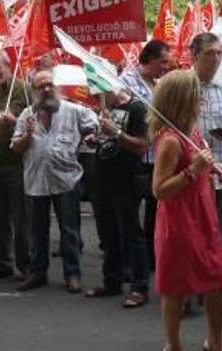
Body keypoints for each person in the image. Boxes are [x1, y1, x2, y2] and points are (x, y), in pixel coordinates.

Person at [151, 69, 222, 351]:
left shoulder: (192, 131)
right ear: (183, 99)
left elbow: (198, 167)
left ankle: (215, 342)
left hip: (202, 216)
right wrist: (194, 170)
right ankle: (172, 345)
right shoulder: (171, 140)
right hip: (179, 222)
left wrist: (213, 169)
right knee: (175, 288)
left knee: (216, 281)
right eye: (197, 95)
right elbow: (159, 189)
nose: (202, 100)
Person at [12, 70, 97, 292]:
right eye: (41, 86)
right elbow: (16, 148)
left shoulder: (73, 110)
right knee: (36, 231)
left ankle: (73, 275)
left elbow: (93, 123)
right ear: (35, 91)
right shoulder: (26, 116)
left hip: (66, 180)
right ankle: (37, 274)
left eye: (49, 84)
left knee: (69, 231)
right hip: (36, 181)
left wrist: (90, 134)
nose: (46, 89)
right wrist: (28, 135)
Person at [85, 86, 150, 307]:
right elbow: (107, 139)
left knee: (132, 233)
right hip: (101, 177)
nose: (98, 100)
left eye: (100, 95)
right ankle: (111, 281)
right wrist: (97, 138)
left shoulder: (137, 108)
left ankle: (140, 287)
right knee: (108, 234)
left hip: (126, 179)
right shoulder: (108, 109)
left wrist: (117, 133)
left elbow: (142, 146)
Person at [191, 32, 222, 308]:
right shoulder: (183, 85)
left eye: (220, 52)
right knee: (193, 230)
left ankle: (217, 285)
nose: (218, 58)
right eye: (211, 53)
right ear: (195, 56)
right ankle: (191, 284)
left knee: (220, 229)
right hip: (193, 173)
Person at [120, 39, 170, 270]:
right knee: (130, 213)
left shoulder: (160, 84)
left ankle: (151, 258)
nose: (166, 66)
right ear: (150, 59)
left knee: (154, 211)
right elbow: (123, 111)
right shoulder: (127, 81)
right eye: (163, 61)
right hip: (134, 158)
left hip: (157, 158)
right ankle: (131, 261)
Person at [0, 50, 30, 280]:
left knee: (20, 216)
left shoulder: (23, 89)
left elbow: (34, 122)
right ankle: (3, 263)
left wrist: (15, 121)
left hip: (16, 162)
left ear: (8, 65)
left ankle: (25, 265)